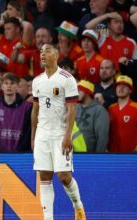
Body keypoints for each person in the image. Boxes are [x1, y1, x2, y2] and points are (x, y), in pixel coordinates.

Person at [31, 43, 86, 220]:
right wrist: (33, 137)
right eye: (41, 52)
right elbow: (35, 110)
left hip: (60, 133)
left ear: (56, 55)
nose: (43, 54)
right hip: (42, 133)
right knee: (44, 177)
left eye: (47, 51)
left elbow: (72, 110)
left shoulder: (66, 78)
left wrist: (67, 136)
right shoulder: (37, 80)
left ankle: (78, 206)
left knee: (63, 176)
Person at [108, 75, 137, 153]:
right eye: (118, 86)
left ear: (130, 90)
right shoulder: (110, 108)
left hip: (132, 156)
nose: (120, 88)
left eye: (124, 86)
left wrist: (136, 150)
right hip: (113, 155)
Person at [0, 72, 32, 152]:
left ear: (17, 86)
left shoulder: (28, 108)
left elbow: (29, 133)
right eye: (6, 83)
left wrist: (20, 151)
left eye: (12, 83)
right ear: (2, 87)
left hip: (20, 155)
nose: (9, 86)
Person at [76, 80, 109, 152]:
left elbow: (102, 138)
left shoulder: (99, 110)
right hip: (73, 153)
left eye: (79, 91)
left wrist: (97, 158)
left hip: (89, 155)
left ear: (87, 92)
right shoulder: (75, 108)